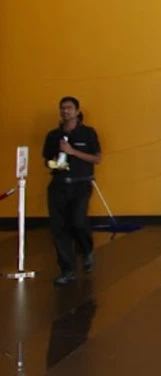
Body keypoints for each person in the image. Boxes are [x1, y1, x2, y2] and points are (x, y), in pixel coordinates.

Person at [43, 97, 101, 285]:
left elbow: (96, 159)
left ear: (77, 111)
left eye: (69, 108)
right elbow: (47, 159)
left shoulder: (88, 133)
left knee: (78, 221)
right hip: (59, 185)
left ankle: (86, 249)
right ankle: (67, 270)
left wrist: (72, 152)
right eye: (62, 108)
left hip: (80, 184)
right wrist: (53, 164)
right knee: (59, 228)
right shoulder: (53, 136)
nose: (65, 111)